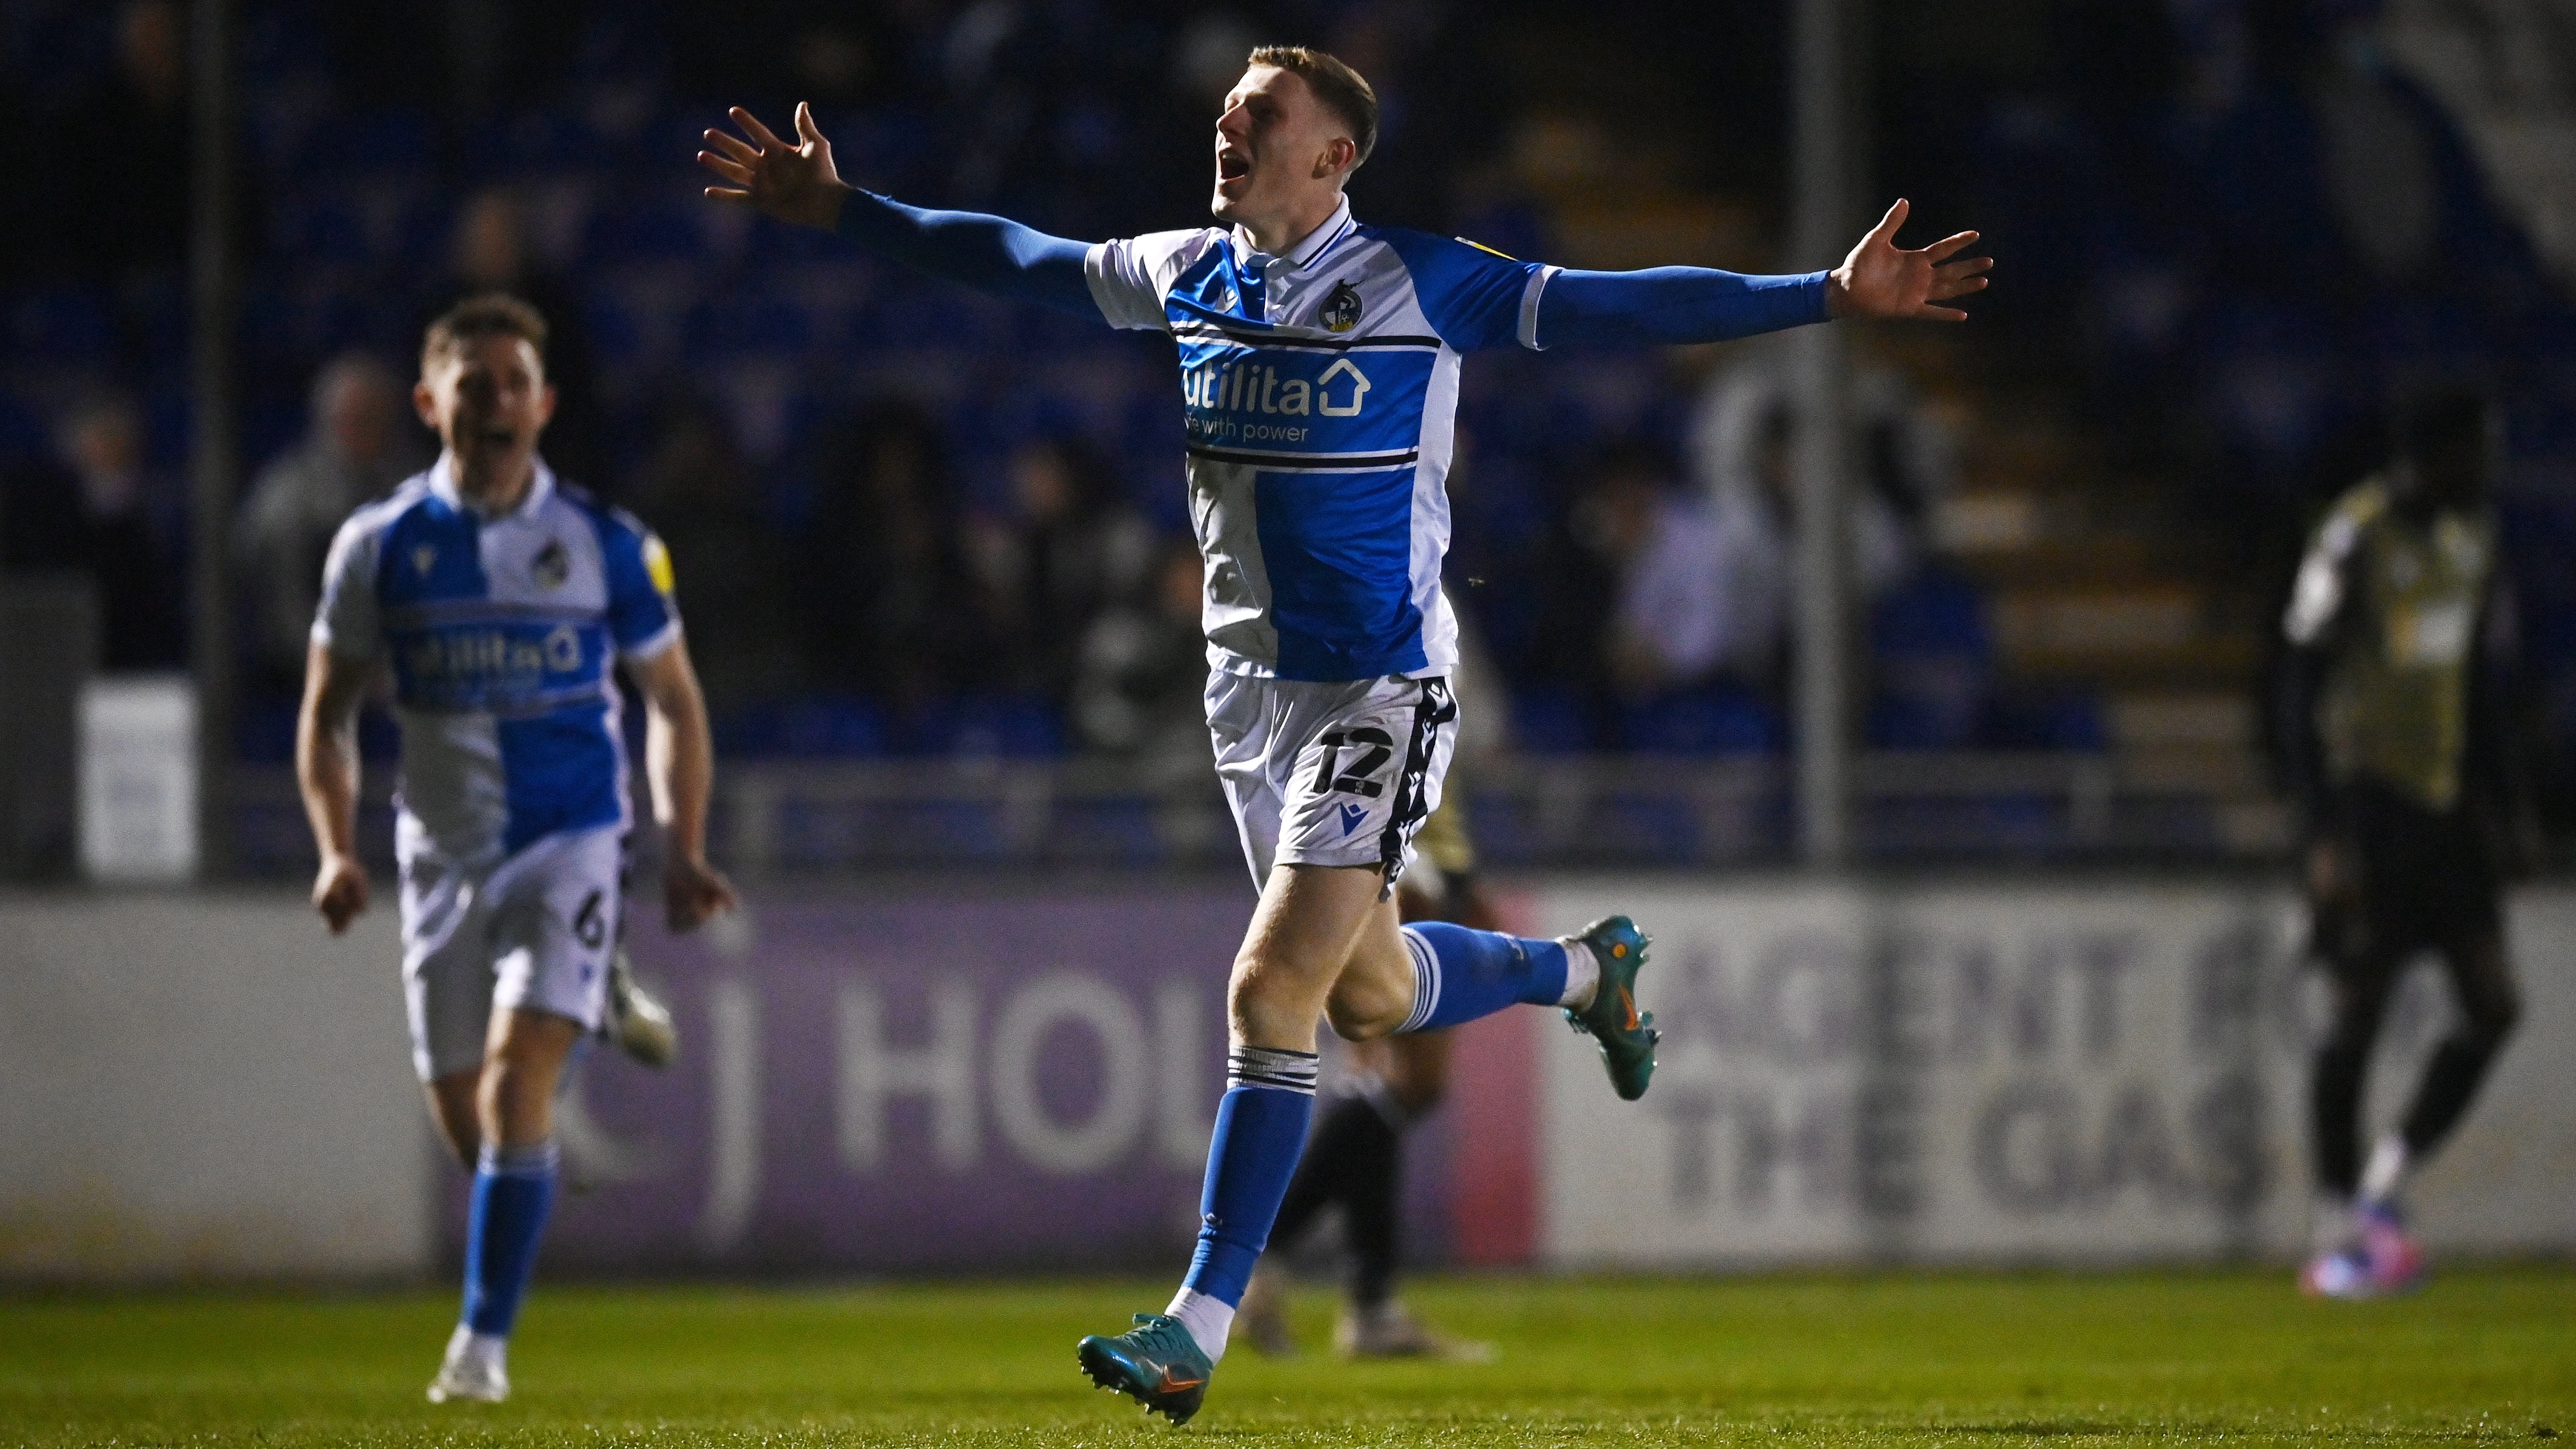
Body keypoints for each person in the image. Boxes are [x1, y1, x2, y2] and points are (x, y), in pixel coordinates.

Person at [698, 44, 1987, 1423]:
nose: (1228, 127)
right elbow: (1017, 255)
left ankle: (1195, 1317)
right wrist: (846, 209)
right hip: (1246, 701)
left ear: (1334, 157)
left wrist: (1828, 295)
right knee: (1369, 996)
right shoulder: (1184, 269)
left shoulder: (1417, 280)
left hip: (1379, 690)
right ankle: (1585, 970)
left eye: (1261, 113)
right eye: (1225, 110)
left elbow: (1621, 307)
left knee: (1271, 995)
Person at [295, 295, 737, 1403]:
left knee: (513, 1084)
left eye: (513, 383)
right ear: (427, 401)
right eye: (471, 381)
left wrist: (682, 845)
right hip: (440, 856)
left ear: (544, 402)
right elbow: (325, 711)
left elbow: (673, 701)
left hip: (570, 842)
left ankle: (478, 1349)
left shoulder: (606, 542)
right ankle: (595, 994)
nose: (494, 401)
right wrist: (330, 847)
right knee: (473, 1126)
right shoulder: (379, 545)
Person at [2281, 385, 2528, 1301]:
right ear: (2432, 452)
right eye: (2474, 448)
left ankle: (2384, 1183)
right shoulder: (2353, 535)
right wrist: (2321, 829)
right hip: (2370, 805)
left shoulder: (2477, 538)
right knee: (2354, 1014)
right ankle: (2336, 1225)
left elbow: (2478, 685)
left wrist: (2505, 811)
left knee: (2494, 1004)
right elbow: (2294, 680)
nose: (2486, 465)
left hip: (2446, 807)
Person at [1236, 601, 1507, 1362]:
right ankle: (1270, 1261)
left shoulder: (1366, 573)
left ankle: (1362, 1299)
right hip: (1400, 837)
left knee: (1386, 1081)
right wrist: (1449, 872)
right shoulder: (1402, 581)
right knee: (1404, 1081)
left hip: (1389, 831)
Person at [234, 355, 422, 691]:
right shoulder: (289, 495)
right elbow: (283, 606)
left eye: (374, 419)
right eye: (352, 419)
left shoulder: (415, 488)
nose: (363, 432)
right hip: (305, 673)